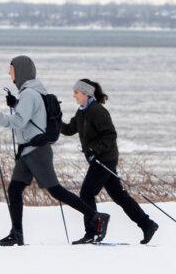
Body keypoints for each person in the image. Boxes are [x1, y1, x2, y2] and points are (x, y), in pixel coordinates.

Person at [0, 55, 108, 246]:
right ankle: (16, 234)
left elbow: (18, 122)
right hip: (27, 151)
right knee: (14, 190)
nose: (9, 73)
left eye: (11, 69)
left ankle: (95, 216)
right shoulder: (32, 92)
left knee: (56, 191)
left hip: (37, 151)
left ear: (21, 71)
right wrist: (15, 104)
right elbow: (32, 116)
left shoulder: (29, 94)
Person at [61, 78, 158, 245]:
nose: (74, 96)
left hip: (105, 158)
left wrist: (94, 150)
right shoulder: (82, 111)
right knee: (118, 195)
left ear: (85, 93)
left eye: (76, 92)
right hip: (99, 159)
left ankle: (92, 232)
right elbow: (69, 130)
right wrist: (54, 119)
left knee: (86, 193)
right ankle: (147, 224)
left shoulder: (97, 111)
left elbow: (110, 135)